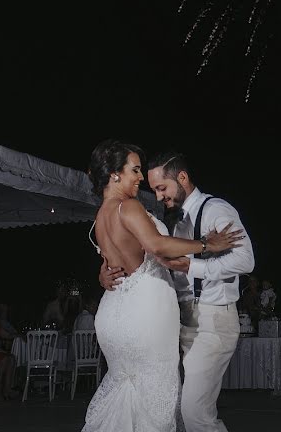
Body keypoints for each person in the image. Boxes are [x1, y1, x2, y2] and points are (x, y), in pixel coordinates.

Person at [83, 140, 242, 432]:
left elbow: (113, 262)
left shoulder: (100, 215)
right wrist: (207, 244)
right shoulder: (126, 206)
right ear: (115, 174)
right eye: (135, 170)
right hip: (145, 314)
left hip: (113, 313)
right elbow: (156, 245)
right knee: (154, 397)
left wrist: (100, 276)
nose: (140, 178)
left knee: (127, 390)